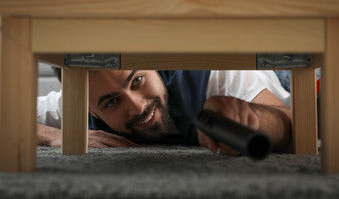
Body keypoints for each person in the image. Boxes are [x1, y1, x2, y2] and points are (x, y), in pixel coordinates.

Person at [37, 70, 292, 155]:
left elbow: (290, 121)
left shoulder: (217, 77)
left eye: (137, 81)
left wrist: (254, 118)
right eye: (112, 102)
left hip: (280, 76)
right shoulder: (74, 107)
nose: (137, 107)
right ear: (88, 108)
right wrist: (54, 135)